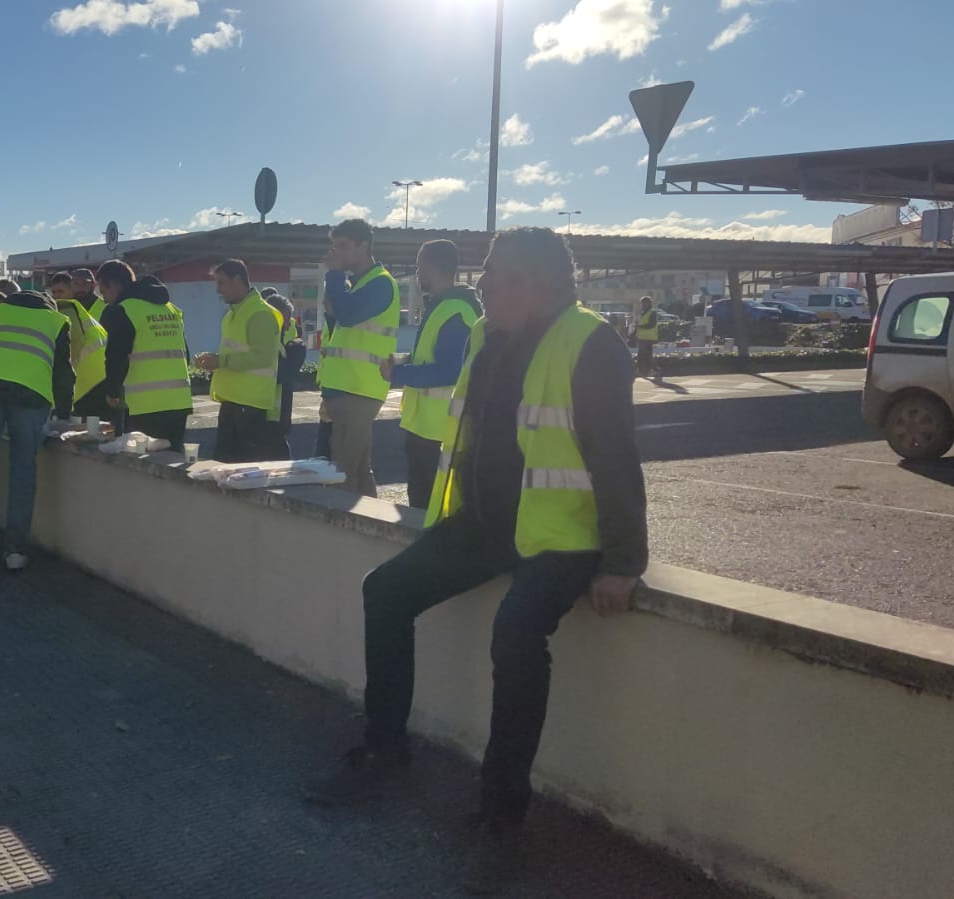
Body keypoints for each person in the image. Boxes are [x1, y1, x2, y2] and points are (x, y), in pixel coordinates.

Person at [304, 228, 647, 893]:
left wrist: (623, 561)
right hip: (488, 524)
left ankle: (501, 809)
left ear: (534, 283)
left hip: (561, 537)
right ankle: (383, 746)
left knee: (516, 632)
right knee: (386, 589)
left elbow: (615, 455)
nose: (482, 285)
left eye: (495, 275)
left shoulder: (590, 342)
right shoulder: (493, 337)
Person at [0, 290, 75, 582]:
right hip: (31, 395)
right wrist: (65, 412)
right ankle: (15, 551)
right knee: (23, 472)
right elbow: (63, 372)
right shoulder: (57, 321)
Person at [384, 240, 480, 510]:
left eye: (419, 265)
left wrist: (399, 373)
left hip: (440, 431)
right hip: (428, 427)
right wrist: (404, 363)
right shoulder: (443, 306)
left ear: (432, 266)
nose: (417, 273)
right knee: (423, 506)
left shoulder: (455, 310)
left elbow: (450, 370)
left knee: (430, 509)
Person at [317, 218, 400, 496]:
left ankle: (340, 532)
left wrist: (335, 276)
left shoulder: (380, 283)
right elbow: (342, 324)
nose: (336, 252)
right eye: (334, 246)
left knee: (344, 473)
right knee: (360, 471)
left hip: (358, 390)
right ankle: (371, 528)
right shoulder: (360, 283)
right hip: (350, 388)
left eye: (343, 246)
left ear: (364, 245)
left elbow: (349, 316)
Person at [96, 260, 192, 452]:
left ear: (114, 284)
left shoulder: (125, 310)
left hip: (145, 405)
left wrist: (112, 391)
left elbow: (117, 357)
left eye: (103, 291)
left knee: (141, 465)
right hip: (179, 401)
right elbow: (185, 355)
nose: (104, 299)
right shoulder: (171, 309)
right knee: (171, 463)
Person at [197, 260, 285, 462]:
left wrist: (220, 361)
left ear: (237, 280)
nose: (218, 290)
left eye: (221, 283)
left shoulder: (260, 312)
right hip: (234, 403)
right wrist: (214, 360)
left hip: (250, 406)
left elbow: (262, 357)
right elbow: (236, 354)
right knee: (223, 468)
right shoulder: (233, 313)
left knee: (242, 470)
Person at [47, 271, 109, 421]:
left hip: (99, 377)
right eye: (54, 292)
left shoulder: (104, 307)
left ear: (94, 285)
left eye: (84, 283)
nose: (56, 296)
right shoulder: (63, 311)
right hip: (79, 380)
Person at [264, 290, 306, 439]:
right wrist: (295, 357)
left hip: (275, 414)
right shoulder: (267, 343)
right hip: (268, 416)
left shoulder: (277, 340)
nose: (289, 325)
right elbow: (281, 375)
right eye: (287, 319)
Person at [636, 296, 660, 379]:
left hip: (648, 337)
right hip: (643, 337)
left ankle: (644, 372)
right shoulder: (644, 313)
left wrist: (640, 326)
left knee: (643, 355)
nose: (642, 305)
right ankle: (651, 371)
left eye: (643, 303)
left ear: (648, 303)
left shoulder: (652, 312)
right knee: (647, 355)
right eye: (641, 304)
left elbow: (651, 324)